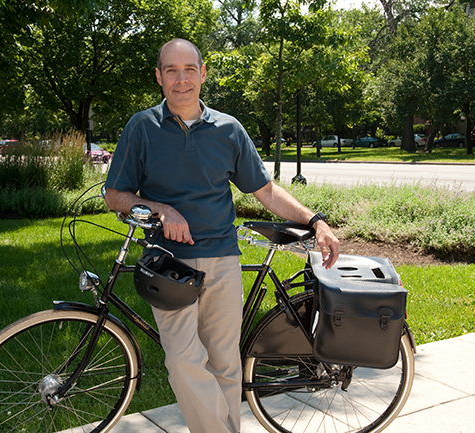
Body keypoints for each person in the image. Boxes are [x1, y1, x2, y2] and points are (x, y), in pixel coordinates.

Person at [104, 38, 339, 433]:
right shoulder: (141, 127)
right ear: (159, 77)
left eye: (190, 70)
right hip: (167, 262)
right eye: (172, 71)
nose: (182, 80)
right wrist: (162, 209)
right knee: (182, 360)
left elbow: (264, 190)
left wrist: (315, 220)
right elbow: (115, 195)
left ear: (203, 74)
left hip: (222, 258)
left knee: (225, 363)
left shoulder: (229, 129)